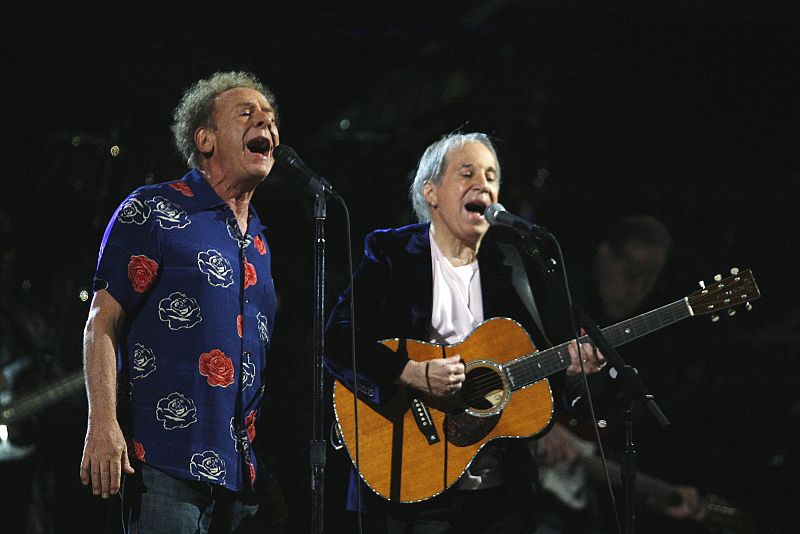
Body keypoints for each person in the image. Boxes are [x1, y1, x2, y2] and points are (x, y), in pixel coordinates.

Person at [324, 132, 607, 533]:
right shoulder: (393, 255)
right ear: (432, 192)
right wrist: (411, 373)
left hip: (499, 495)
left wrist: (573, 374)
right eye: (468, 172)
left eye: (491, 176)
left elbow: (537, 384)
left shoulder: (515, 268)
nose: (483, 184)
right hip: (411, 482)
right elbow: (338, 339)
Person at [79, 71, 280, 533]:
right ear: (205, 138)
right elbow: (101, 323)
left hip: (241, 475)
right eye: (247, 113)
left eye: (269, 117)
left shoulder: (262, 242)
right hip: (164, 462)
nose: (265, 123)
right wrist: (103, 424)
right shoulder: (155, 209)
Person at [532, 215, 710, 532]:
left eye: (649, 280)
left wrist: (656, 493)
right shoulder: (552, 301)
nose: (637, 290)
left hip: (575, 494)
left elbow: (618, 433)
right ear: (604, 256)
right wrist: (542, 427)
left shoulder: (646, 338)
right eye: (632, 275)